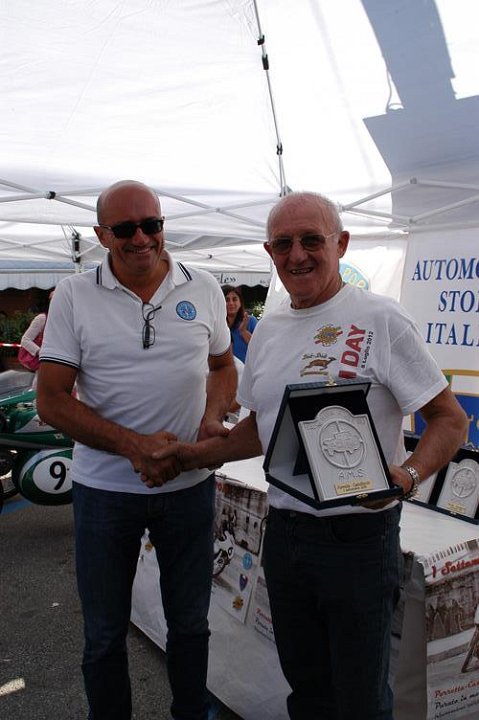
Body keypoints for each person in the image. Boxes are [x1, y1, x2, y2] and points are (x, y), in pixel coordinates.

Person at [149, 192, 467, 720]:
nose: (297, 255)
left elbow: (450, 419)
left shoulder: (383, 319)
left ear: (341, 244)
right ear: (269, 252)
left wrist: (407, 476)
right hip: (286, 534)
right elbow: (261, 429)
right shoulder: (268, 328)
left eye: (311, 240)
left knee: (360, 701)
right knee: (308, 691)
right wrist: (191, 455)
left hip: (359, 540)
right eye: (283, 244)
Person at [36, 180, 236, 720]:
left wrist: (212, 417)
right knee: (104, 633)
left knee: (190, 625)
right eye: (125, 229)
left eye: (152, 225)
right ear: (102, 235)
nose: (142, 238)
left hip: (188, 487)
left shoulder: (204, 287)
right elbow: (51, 400)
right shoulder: (74, 294)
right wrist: (134, 448)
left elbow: (222, 365)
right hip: (105, 491)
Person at [19, 289, 54, 387]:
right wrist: (41, 352)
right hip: (44, 368)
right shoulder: (42, 318)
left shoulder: (67, 321)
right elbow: (25, 340)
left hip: (64, 369)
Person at [222, 284, 257, 363]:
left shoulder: (250, 321)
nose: (231, 303)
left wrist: (243, 331)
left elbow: (259, 348)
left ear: (240, 302)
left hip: (246, 368)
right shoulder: (216, 324)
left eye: (234, 299)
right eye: (227, 300)